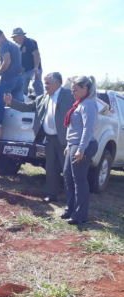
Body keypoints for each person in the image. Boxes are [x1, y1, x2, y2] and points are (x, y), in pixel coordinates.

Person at [4, 72, 75, 202]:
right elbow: (26, 107)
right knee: (51, 168)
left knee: (68, 170)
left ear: (58, 82)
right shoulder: (42, 98)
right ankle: (51, 194)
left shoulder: (69, 95)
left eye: (48, 82)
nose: (45, 85)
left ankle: (71, 198)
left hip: (66, 139)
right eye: (45, 82)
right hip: (49, 139)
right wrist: (11, 102)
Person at [61, 76, 99, 225]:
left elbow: (87, 129)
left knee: (79, 180)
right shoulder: (79, 104)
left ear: (85, 89)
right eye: (72, 90)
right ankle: (70, 209)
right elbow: (73, 128)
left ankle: (80, 214)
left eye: (75, 90)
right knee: (68, 177)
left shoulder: (88, 104)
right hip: (74, 145)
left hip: (83, 145)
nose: (73, 93)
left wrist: (81, 149)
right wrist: (68, 145)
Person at [0, 29, 24, 123]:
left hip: (8, 79)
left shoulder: (4, 45)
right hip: (20, 79)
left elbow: (7, 61)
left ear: (2, 36)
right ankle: (16, 129)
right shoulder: (15, 46)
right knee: (17, 106)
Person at [11, 28, 44, 97]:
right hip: (24, 72)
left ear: (20, 35)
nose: (13, 39)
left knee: (36, 82)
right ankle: (23, 105)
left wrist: (36, 68)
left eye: (14, 37)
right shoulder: (17, 47)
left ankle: (42, 101)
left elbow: (36, 54)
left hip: (33, 69)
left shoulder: (30, 42)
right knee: (22, 89)